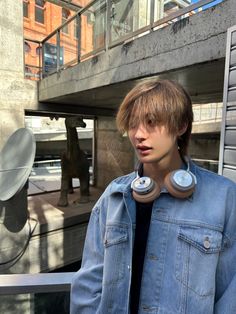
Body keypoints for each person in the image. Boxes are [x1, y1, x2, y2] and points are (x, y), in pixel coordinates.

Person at [70, 79, 236, 314]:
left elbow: (230, 296)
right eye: (132, 123)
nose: (138, 134)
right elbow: (88, 286)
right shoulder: (113, 196)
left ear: (181, 126)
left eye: (150, 122)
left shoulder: (224, 198)